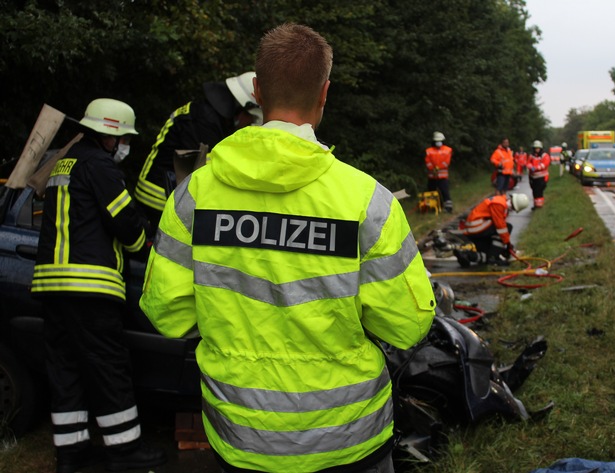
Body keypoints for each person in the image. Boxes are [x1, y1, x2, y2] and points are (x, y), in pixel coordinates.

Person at [139, 23, 436, 473]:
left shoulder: (193, 196)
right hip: (351, 438)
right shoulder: (366, 201)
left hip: (242, 437)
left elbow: (167, 313)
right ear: (325, 93)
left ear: (257, 91)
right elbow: (406, 325)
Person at [30, 99, 166, 473]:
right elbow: (124, 221)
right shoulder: (100, 166)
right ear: (109, 135)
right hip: (89, 286)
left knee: (66, 369)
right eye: (122, 137)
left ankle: (71, 454)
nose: (124, 144)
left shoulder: (64, 161)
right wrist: (144, 247)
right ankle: (125, 451)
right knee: (109, 368)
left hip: (52, 286)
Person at [135, 72, 261, 234]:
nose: (250, 123)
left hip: (164, 195)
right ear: (241, 107)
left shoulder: (209, 115)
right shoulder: (205, 121)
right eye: (250, 118)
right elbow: (202, 169)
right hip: (159, 199)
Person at [455, 193, 530, 267]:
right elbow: (501, 227)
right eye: (513, 208)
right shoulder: (499, 204)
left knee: (487, 255)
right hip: (476, 228)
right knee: (507, 227)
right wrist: (508, 244)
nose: (512, 210)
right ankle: (493, 258)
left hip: (477, 229)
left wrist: (504, 249)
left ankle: (466, 255)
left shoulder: (501, 202)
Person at [424, 131, 453, 212]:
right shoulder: (429, 150)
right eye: (437, 141)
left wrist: (437, 167)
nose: (438, 142)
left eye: (440, 141)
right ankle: (433, 207)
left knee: (445, 192)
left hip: (443, 177)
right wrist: (432, 168)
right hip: (432, 176)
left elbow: (446, 162)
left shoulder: (448, 150)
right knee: (432, 191)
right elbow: (428, 161)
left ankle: (448, 208)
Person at [527, 140, 550, 209]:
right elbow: (528, 163)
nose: (537, 150)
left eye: (538, 148)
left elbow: (545, 164)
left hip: (541, 177)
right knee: (534, 191)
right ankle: (535, 204)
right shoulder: (531, 156)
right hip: (533, 177)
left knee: (539, 191)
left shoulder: (544, 155)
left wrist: (536, 168)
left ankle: (539, 205)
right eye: (535, 148)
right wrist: (531, 167)